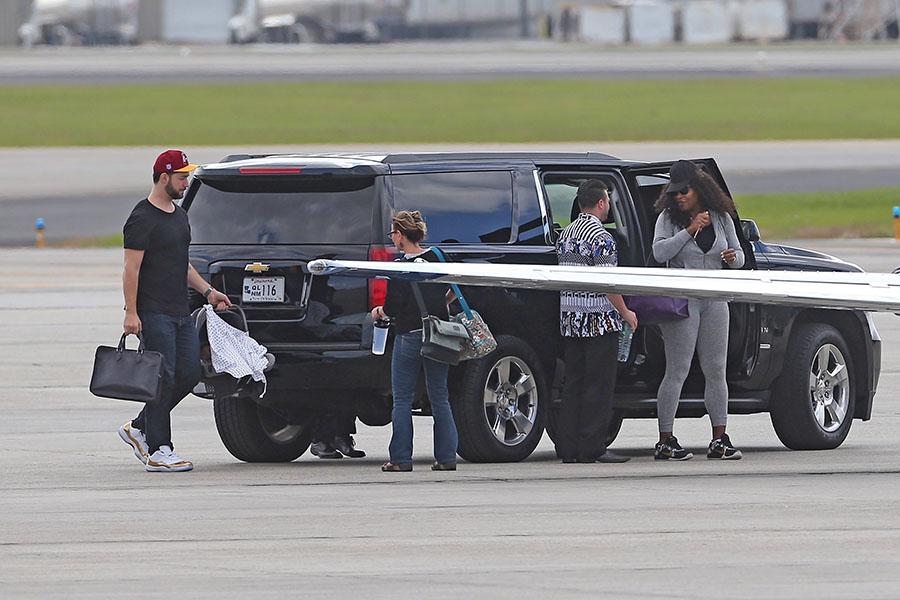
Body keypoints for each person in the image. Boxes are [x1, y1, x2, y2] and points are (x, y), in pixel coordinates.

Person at [118, 149, 232, 472]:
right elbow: (131, 269)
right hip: (152, 312)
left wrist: (208, 292)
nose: (187, 183)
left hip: (180, 311)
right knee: (162, 377)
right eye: (182, 177)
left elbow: (182, 265)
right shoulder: (141, 218)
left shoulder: (180, 217)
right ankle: (159, 450)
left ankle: (140, 426)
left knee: (190, 374)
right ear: (164, 177)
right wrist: (131, 312)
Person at [651, 160, 745, 461]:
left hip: (715, 300)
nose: (679, 197)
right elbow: (659, 252)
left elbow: (739, 255)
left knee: (716, 369)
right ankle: (665, 438)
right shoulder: (668, 219)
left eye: (684, 192)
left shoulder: (720, 217)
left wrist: (732, 257)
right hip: (683, 302)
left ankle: (719, 438)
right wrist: (689, 230)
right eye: (674, 193)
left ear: (699, 189)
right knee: (677, 369)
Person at [555, 180, 637, 464]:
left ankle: (568, 448)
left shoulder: (566, 234)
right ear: (601, 203)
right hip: (598, 320)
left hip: (570, 319)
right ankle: (592, 446)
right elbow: (607, 283)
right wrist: (626, 312)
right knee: (598, 386)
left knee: (573, 384)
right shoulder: (601, 237)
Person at [370, 211, 458, 472]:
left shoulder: (400, 268)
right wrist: (443, 304)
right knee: (440, 396)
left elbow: (393, 307)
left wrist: (378, 313)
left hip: (409, 335)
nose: (393, 238)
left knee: (402, 399)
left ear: (400, 235)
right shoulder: (439, 257)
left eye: (393, 234)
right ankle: (446, 458)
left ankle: (400, 459)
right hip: (438, 334)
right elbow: (459, 286)